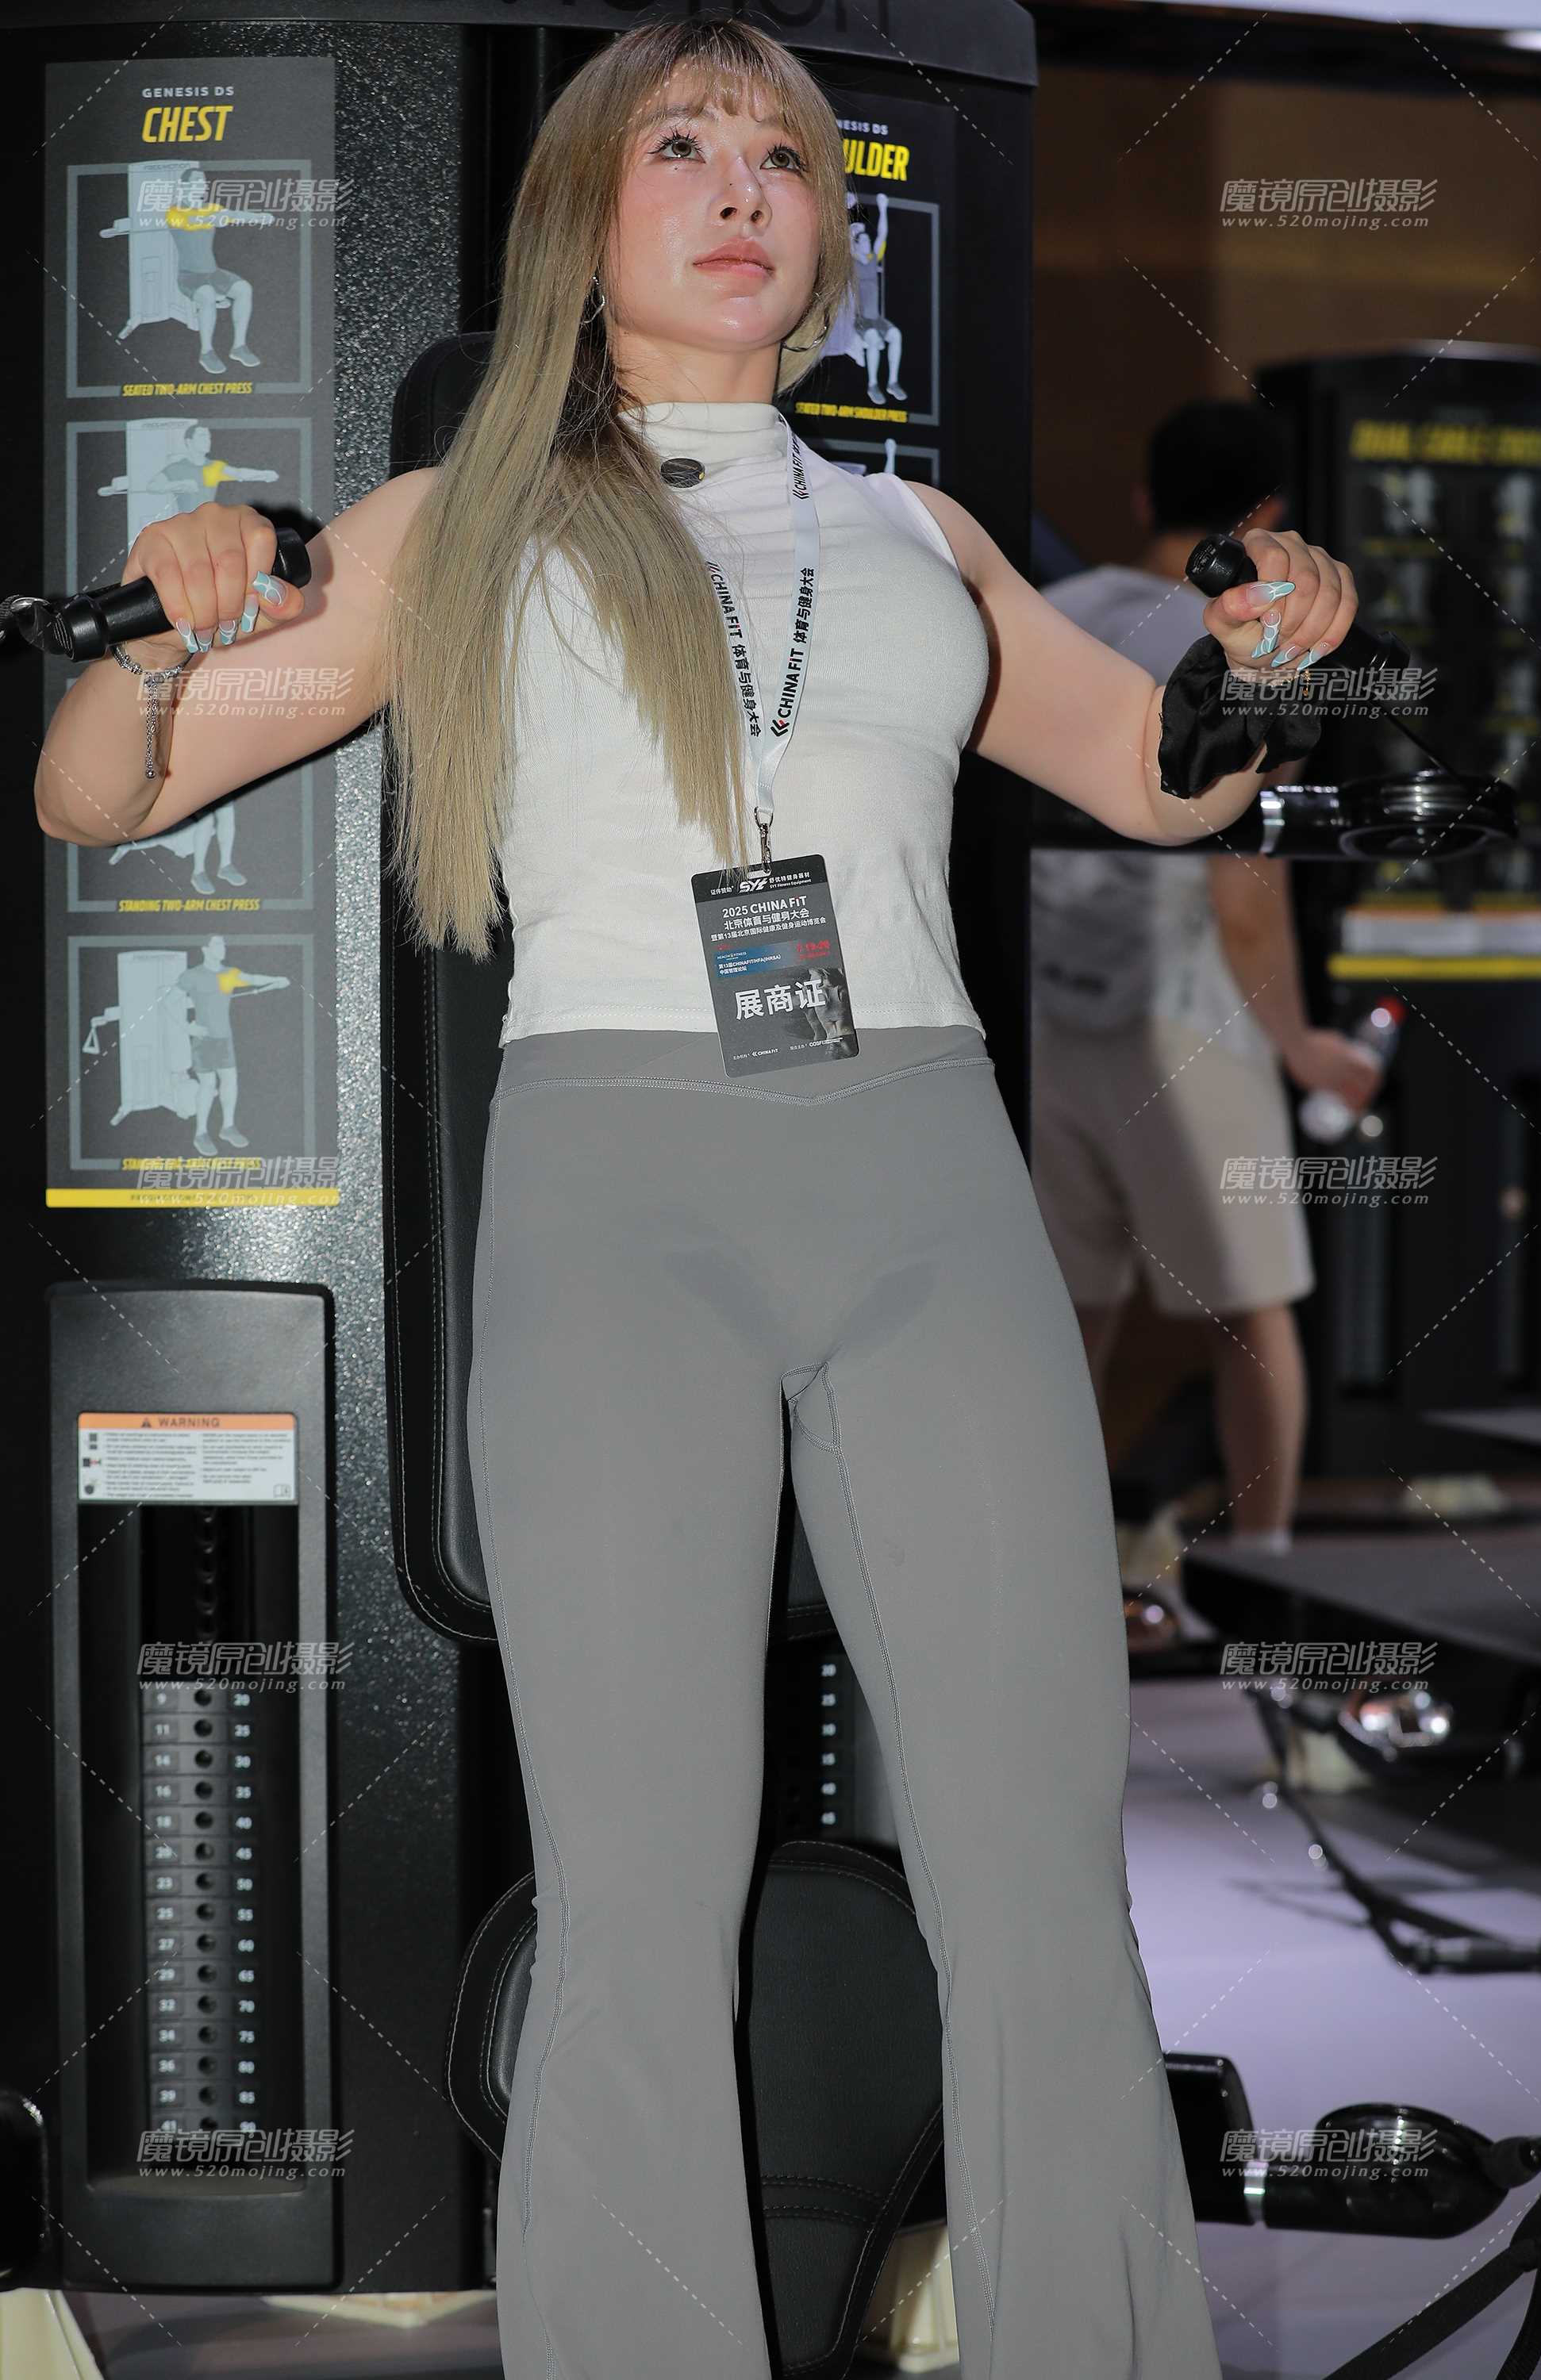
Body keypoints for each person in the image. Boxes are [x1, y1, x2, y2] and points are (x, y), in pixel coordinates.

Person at [35, 21, 1361, 2376]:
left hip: (927, 1173)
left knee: (1039, 1878)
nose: (743, 184)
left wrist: (1265, 662)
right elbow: (94, 795)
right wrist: (169, 608)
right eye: (682, 143)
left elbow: (1156, 781)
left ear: (826, 236)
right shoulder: (460, 519)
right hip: (618, 1196)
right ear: (586, 215)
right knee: (641, 1904)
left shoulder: (917, 532)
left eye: (778, 153)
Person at [1029, 401, 1381, 1642]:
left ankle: (1050, 1585)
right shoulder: (1252, 639)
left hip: (1039, 1018)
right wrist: (1304, 1047)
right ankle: (1264, 1579)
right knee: (1251, 1311)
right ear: (1271, 517)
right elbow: (1246, 890)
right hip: (1186, 1020)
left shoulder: (1053, 614)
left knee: (1066, 1319)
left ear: (1143, 498)